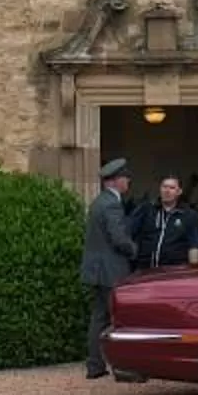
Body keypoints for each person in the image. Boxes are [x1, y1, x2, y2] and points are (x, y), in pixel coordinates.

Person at [80, 156, 138, 379]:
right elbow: (118, 238)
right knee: (119, 318)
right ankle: (123, 367)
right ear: (113, 181)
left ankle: (95, 365)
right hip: (110, 270)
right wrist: (134, 249)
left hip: (97, 270)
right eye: (125, 178)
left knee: (99, 317)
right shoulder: (112, 204)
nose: (128, 182)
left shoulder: (98, 202)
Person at [131, 173, 198, 272]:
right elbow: (131, 233)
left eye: (171, 188)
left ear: (179, 191)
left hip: (174, 272)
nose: (167, 191)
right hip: (146, 270)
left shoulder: (188, 215)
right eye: (164, 187)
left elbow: (193, 245)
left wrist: (192, 271)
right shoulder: (147, 210)